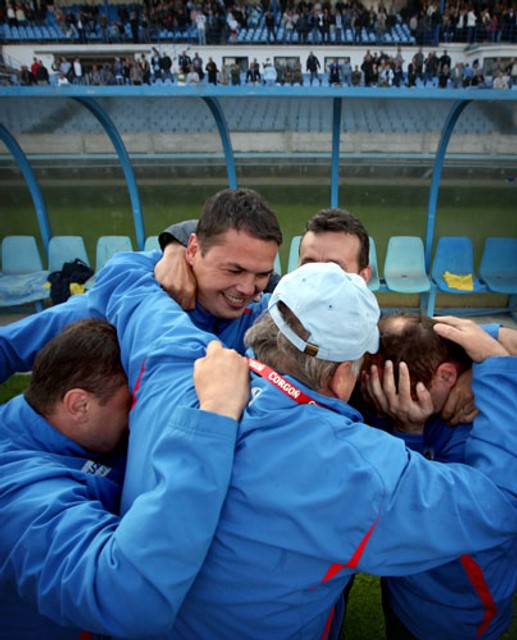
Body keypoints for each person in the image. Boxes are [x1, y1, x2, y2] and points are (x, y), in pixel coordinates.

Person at [165, 262, 517, 639]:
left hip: (456, 611)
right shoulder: (359, 464)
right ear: (340, 375)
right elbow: (489, 503)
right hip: (408, 599)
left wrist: (493, 363)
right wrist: (495, 370)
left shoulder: (195, 370)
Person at [0, 307, 250, 637]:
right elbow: (125, 599)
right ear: (79, 405)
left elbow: (120, 288)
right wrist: (213, 417)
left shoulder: (69, 432)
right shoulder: (15, 495)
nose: (141, 417)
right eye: (133, 404)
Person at [0, 188, 282, 383]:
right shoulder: (121, 299)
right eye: (234, 270)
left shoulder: (261, 316)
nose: (248, 288)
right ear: (193, 250)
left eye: (262, 274)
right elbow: (10, 347)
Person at [362, 313, 517, 640]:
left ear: (446, 374)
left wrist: (408, 433)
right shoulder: (403, 395)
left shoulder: (487, 431)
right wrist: (484, 344)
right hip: (403, 593)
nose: (387, 403)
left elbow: (423, 518)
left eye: (400, 390)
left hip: (458, 613)